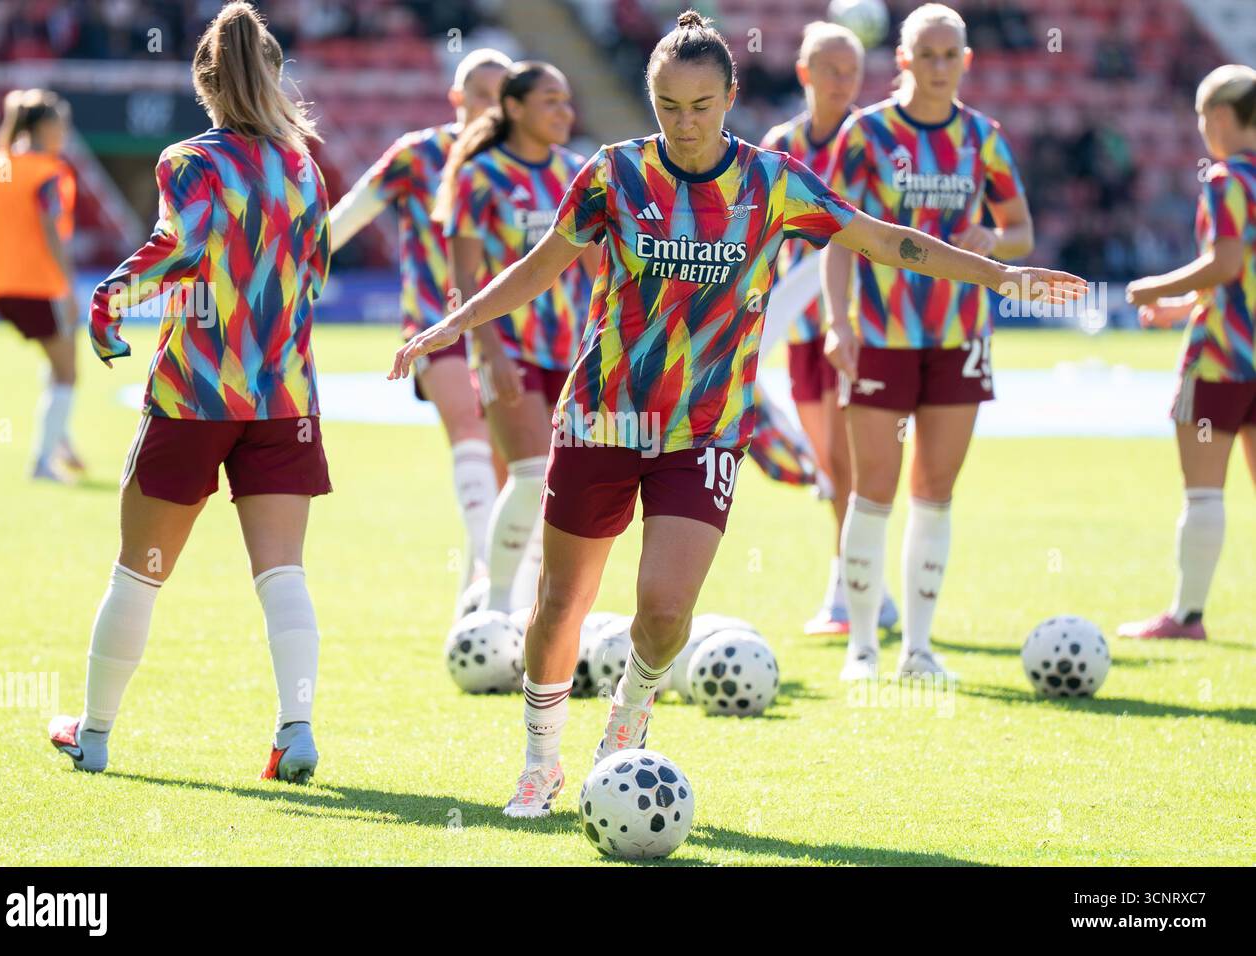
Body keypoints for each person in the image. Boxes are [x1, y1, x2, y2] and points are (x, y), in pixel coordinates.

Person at [390, 10, 1083, 817]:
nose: (685, 124)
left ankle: (628, 718)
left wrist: (1002, 278)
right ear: (652, 101)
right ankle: (540, 764)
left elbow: (883, 239)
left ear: (730, 96)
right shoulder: (613, 174)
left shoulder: (774, 181)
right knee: (559, 607)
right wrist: (453, 324)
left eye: (702, 105)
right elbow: (539, 269)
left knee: (664, 610)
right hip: (602, 418)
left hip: (706, 430)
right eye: (669, 106)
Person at [47, 2, 331, 783]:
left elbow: (183, 242)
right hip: (284, 395)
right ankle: (295, 730)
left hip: (195, 395)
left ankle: (94, 733)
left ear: (204, 85)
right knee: (283, 574)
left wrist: (110, 300)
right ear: (274, 76)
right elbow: (316, 272)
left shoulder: (188, 159)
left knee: (137, 570)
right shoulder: (305, 163)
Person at [822, 2, 1036, 680]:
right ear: (904, 59)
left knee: (936, 488)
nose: (941, 67)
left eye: (953, 56)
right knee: (873, 489)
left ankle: (919, 648)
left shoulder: (984, 137)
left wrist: (995, 240)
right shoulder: (867, 134)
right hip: (882, 335)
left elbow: (1021, 231)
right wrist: (838, 320)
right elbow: (835, 234)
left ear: (966, 62)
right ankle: (862, 647)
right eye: (929, 54)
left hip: (960, 336)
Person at [328, 49, 512, 606]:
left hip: (510, 333)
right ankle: (486, 577)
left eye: (503, 95)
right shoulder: (418, 155)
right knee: (469, 432)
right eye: (481, 93)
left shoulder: (523, 164)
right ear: (457, 98)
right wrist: (286, 264)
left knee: (512, 474)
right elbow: (346, 218)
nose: (492, 105)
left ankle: (482, 596)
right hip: (434, 324)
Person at [434, 60, 599, 615]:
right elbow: (463, 279)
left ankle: (533, 608)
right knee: (531, 477)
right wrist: (487, 351)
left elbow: (601, 265)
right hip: (512, 353)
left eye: (568, 100)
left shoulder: (579, 173)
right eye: (550, 100)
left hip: (576, 356)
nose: (564, 111)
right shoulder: (480, 176)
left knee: (564, 491)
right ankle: (497, 607)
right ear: (514, 108)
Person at [760, 20, 898, 636]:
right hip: (800, 329)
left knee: (853, 462)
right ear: (805, 74)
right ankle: (858, 585)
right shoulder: (779, 144)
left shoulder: (873, 137)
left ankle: (855, 588)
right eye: (832, 70)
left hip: (863, 325)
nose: (845, 82)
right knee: (828, 464)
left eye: (854, 70)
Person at [1118, 64, 1256, 640]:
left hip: (1222, 359)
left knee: (1203, 490)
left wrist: (1156, 288)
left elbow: (1225, 262)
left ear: (1220, 117)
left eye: (1202, 116)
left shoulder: (1226, 180)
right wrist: (1185, 306)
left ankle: (1188, 616)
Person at [0, 88, 84, 481]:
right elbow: (51, 230)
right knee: (68, 371)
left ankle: (60, 438)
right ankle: (44, 460)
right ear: (46, 126)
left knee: (57, 362)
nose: (65, 132)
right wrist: (69, 289)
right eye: (61, 124)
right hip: (37, 285)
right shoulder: (46, 172)